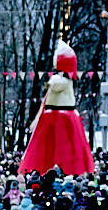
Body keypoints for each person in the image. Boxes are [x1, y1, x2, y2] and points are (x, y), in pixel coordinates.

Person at [18, 42, 94, 177]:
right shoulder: (66, 81)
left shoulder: (61, 81)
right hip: (59, 114)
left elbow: (55, 85)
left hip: (57, 116)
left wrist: (50, 83)